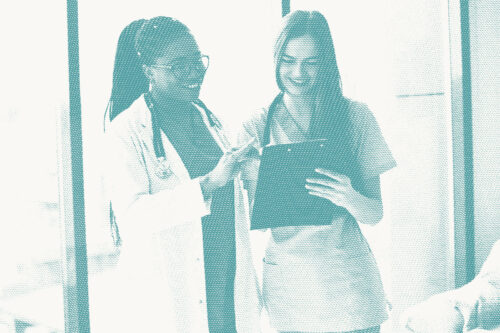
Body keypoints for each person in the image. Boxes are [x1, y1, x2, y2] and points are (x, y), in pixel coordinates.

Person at [239, 10, 396, 333]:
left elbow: (374, 213)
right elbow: (254, 217)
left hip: (349, 288)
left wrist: (348, 196)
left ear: (327, 62)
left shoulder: (355, 117)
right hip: (291, 292)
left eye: (311, 62)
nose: (298, 72)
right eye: (289, 60)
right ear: (275, 60)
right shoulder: (255, 127)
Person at [104, 17, 261, 333]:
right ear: (149, 71)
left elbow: (238, 202)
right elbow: (132, 216)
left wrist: (254, 171)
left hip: (227, 283)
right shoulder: (127, 131)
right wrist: (208, 183)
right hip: (170, 297)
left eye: (197, 61)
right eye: (178, 66)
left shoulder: (213, 121)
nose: (194, 72)